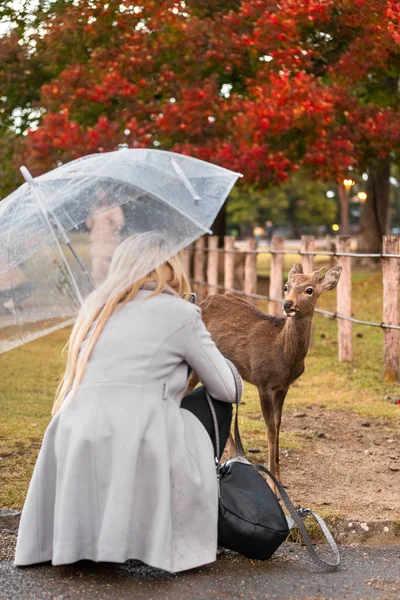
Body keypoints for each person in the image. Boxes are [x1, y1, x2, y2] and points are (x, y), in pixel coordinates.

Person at [14, 232, 241, 573]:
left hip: (74, 429)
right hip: (140, 432)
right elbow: (228, 389)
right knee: (215, 403)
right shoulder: (181, 313)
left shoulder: (95, 308)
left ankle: (89, 538)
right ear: (170, 268)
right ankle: (190, 512)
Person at [86, 189, 125, 287]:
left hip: (110, 245)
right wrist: (91, 214)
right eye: (100, 195)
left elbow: (120, 224)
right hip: (97, 245)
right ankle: (98, 291)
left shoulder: (115, 208)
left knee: (110, 272)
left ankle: (111, 291)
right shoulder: (96, 209)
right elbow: (89, 225)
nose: (102, 197)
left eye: (104, 195)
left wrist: (109, 217)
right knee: (97, 271)